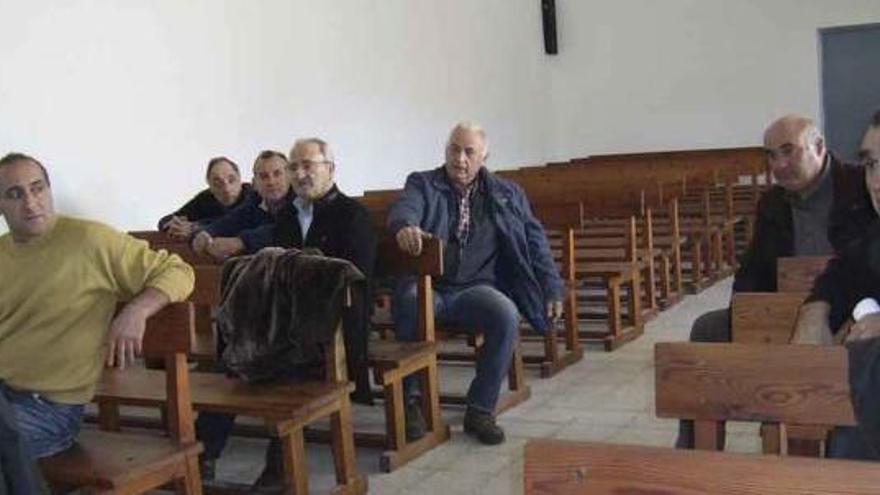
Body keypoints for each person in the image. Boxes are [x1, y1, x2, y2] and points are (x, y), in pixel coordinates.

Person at [675, 114, 870, 448]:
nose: (778, 164)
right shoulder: (772, 203)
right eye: (770, 155)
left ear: (819, 147)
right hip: (781, 316)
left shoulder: (861, 186)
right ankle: (697, 451)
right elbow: (752, 271)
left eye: (788, 151)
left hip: (850, 315)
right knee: (708, 329)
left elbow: (862, 263)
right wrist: (746, 315)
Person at [194, 138, 376, 490]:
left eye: (308, 165)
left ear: (330, 169)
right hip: (285, 321)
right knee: (235, 355)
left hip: (333, 326)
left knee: (289, 362)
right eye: (295, 167)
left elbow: (357, 282)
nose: (300, 173)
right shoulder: (289, 216)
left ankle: (279, 467)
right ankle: (203, 452)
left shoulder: (353, 216)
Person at [0, 153, 194, 462]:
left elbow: (179, 271)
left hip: (50, 409)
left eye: (37, 188)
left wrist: (137, 311)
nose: (30, 202)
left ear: (49, 190)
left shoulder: (90, 240)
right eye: (14, 194)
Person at [388, 122, 563, 445]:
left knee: (505, 314)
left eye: (469, 152)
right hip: (431, 286)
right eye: (454, 149)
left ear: (484, 156)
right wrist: (405, 226)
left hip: (476, 288)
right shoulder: (423, 183)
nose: (460, 159)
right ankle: (411, 401)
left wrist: (551, 285)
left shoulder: (507, 193)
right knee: (410, 299)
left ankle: (480, 409)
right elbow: (405, 208)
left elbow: (535, 239)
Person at [791, 110, 880, 460]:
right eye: (872, 164)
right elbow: (844, 272)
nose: (875, 180)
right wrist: (815, 310)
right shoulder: (874, 233)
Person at [191, 150, 292, 261]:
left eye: (277, 174)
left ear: (290, 177)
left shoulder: (303, 199)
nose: (271, 182)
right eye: (264, 177)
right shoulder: (254, 201)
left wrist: (241, 242)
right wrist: (205, 233)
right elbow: (230, 221)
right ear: (255, 183)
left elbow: (286, 229)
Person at [157, 157, 255, 240]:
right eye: (217, 183)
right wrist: (174, 226)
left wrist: (194, 228)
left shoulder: (253, 194)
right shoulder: (205, 198)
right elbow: (167, 220)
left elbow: (232, 223)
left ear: (240, 179)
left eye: (231, 180)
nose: (226, 188)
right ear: (209, 184)